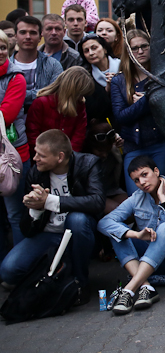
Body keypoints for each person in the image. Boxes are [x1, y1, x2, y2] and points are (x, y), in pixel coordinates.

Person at [0, 130, 103, 299]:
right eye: (35, 153)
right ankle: (55, 281)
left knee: (77, 219)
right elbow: (27, 231)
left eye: (41, 155)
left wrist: (49, 201)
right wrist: (35, 209)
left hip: (79, 234)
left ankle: (80, 285)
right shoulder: (35, 173)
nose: (35, 159)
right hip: (49, 235)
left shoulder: (88, 163)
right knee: (8, 271)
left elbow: (97, 201)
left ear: (60, 157)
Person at [100, 156, 165, 315]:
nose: (142, 182)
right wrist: (136, 235)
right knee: (117, 231)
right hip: (151, 265)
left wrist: (163, 199)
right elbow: (104, 223)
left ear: (156, 171)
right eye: (136, 180)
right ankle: (145, 286)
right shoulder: (137, 198)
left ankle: (129, 289)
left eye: (145, 175)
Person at [111, 29, 165, 194]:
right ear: (128, 51)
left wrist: (146, 98)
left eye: (144, 46)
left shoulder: (162, 75)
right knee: (138, 198)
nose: (140, 51)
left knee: (161, 193)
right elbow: (121, 117)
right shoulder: (119, 81)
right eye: (134, 48)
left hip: (162, 143)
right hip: (134, 147)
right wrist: (149, 100)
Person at [0, 31, 30, 253]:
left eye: (2, 47)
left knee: (15, 214)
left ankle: (17, 269)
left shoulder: (16, 77)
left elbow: (6, 115)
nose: (0, 52)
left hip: (12, 156)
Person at [25, 67, 94, 154]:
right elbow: (32, 134)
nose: (81, 98)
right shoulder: (41, 103)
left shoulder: (79, 105)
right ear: (72, 91)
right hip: (42, 158)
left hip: (67, 159)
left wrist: (67, 156)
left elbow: (79, 135)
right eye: (80, 94)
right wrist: (46, 156)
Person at [10, 16, 63, 115]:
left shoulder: (53, 65)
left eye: (33, 33)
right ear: (15, 36)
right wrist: (40, 94)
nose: (28, 37)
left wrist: (18, 95)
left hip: (44, 120)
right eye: (23, 32)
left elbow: (55, 95)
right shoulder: (6, 66)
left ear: (40, 37)